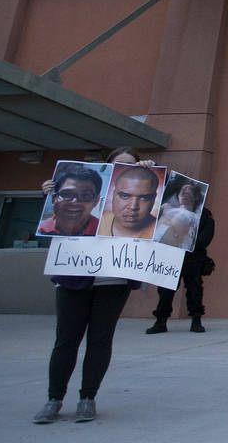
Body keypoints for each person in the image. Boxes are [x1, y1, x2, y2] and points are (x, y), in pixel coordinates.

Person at [33, 147, 146, 424]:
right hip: (73, 279)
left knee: (100, 340)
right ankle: (54, 398)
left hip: (113, 281)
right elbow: (51, 228)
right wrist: (49, 194)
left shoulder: (132, 202)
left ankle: (87, 398)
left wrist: (150, 170)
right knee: (66, 340)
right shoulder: (75, 204)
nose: (125, 168)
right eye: (119, 164)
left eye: (131, 165)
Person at [146, 197, 215, 335]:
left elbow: (207, 236)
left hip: (193, 257)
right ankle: (161, 321)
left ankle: (196, 320)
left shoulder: (205, 215)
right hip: (172, 255)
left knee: (194, 289)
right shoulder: (171, 213)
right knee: (166, 289)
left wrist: (192, 244)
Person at [36, 164, 103, 237]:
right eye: (67, 194)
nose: (75, 202)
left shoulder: (104, 231)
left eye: (85, 196)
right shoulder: (41, 230)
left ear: (96, 201)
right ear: (54, 198)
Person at [97, 164, 160, 238]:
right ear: (113, 195)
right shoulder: (98, 223)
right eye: (124, 196)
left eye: (144, 198)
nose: (133, 207)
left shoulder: (160, 231)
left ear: (154, 199)